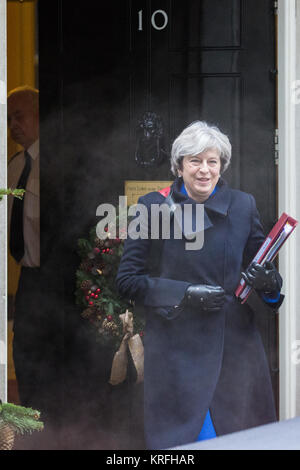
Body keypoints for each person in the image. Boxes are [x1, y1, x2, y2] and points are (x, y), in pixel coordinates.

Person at [116, 121, 284, 450]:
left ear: (222, 166)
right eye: (194, 161)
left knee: (242, 442)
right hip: (177, 354)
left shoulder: (242, 205)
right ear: (179, 166)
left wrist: (270, 284)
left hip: (235, 352)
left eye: (212, 161)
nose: (204, 170)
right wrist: (185, 294)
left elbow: (267, 278)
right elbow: (127, 281)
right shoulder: (153, 207)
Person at [7, 86, 43, 412]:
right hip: (28, 277)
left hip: (58, 276)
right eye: (8, 120)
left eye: (19, 116)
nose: (13, 125)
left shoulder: (58, 164)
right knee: (25, 355)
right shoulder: (14, 167)